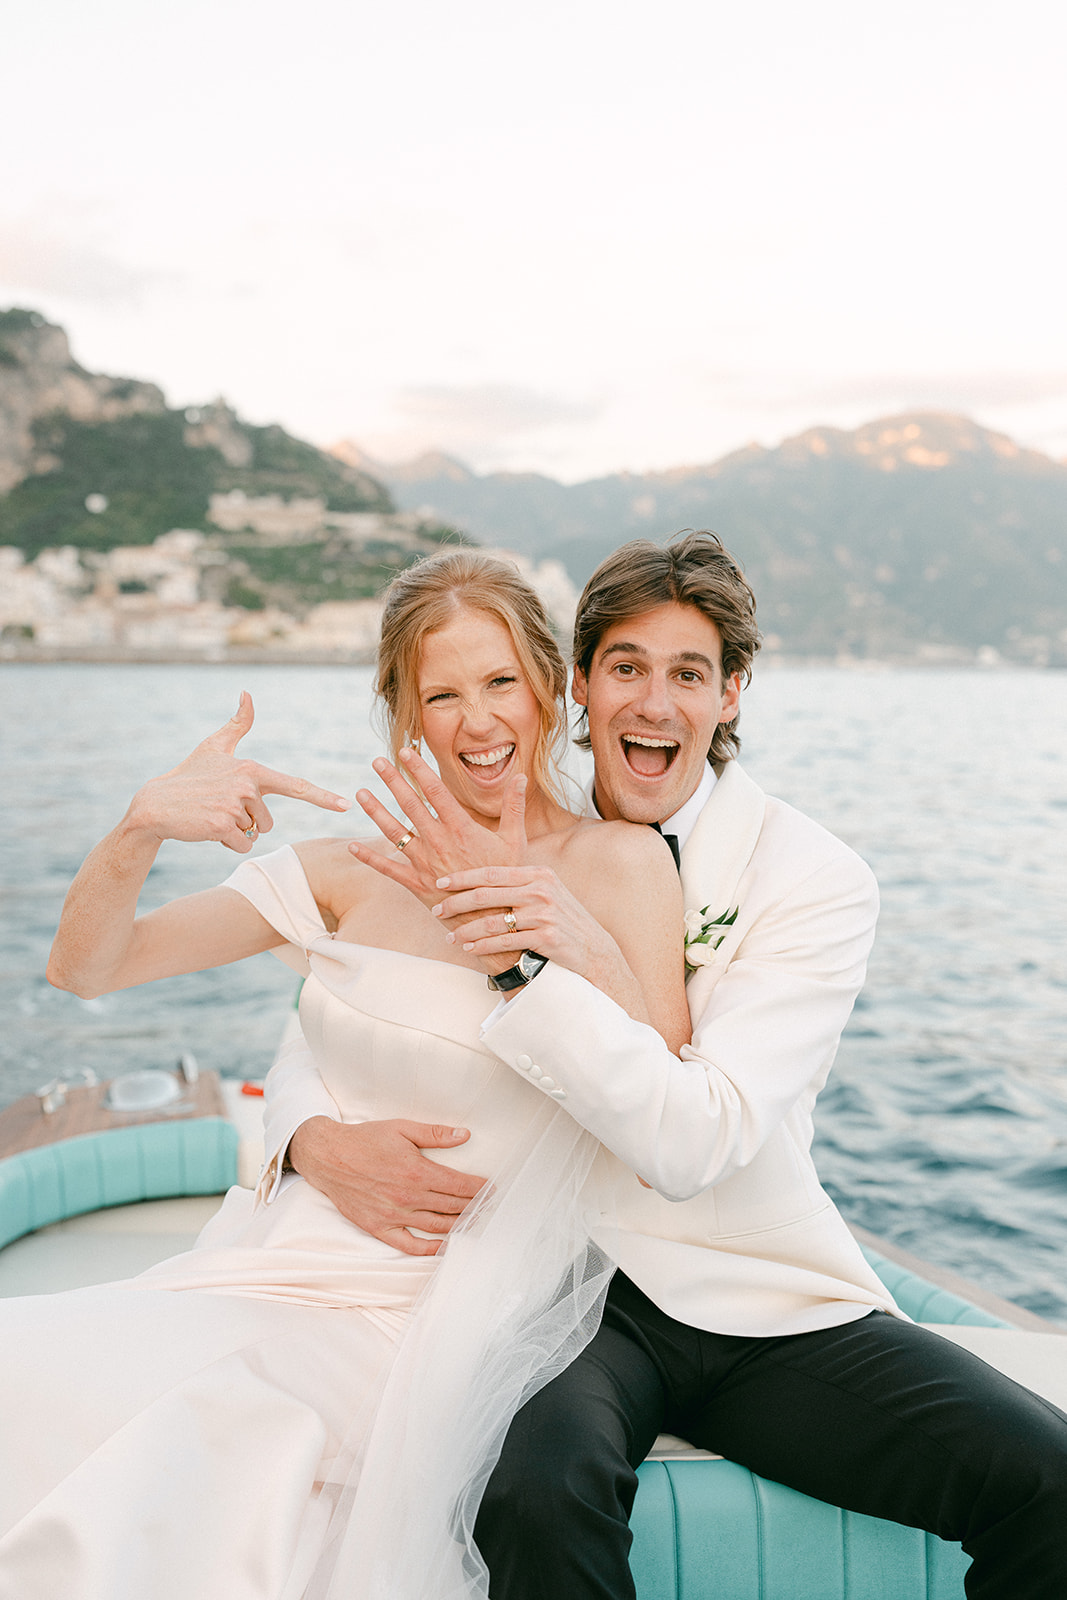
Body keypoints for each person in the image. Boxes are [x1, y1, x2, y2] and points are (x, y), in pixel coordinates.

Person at [276, 530, 1067, 1599]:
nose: (652, 704)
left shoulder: (811, 877)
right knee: (530, 1494)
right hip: (563, 1286)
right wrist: (305, 1137)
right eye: (625, 669)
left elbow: (697, 1138)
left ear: (731, 693)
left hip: (750, 1286)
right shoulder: (502, 830)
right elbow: (347, 1003)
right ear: (579, 691)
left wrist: (552, 957)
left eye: (688, 673)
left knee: (1050, 1478)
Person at [0, 549, 691, 1600]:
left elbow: (668, 1121)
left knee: (218, 1435)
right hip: (266, 1263)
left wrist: (554, 942)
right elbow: (90, 966)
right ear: (403, 713)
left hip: (436, 1306)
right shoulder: (341, 873)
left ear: (551, 687)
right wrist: (141, 824)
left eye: (500, 681)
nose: (477, 719)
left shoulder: (617, 866)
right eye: (441, 693)